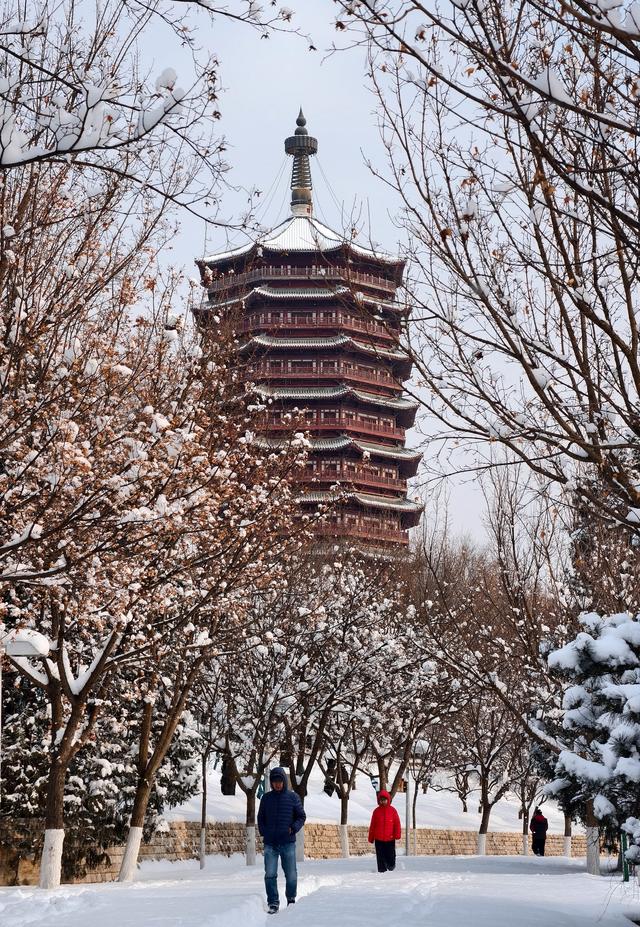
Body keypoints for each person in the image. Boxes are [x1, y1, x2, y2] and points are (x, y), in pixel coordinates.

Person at [257, 767, 306, 914]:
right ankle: (273, 903)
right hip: (270, 844)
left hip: (287, 842)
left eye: (280, 781)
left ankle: (291, 899)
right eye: (274, 781)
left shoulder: (293, 797)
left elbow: (301, 816)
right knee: (270, 874)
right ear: (271, 782)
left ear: (284, 781)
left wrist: (293, 828)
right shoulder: (266, 798)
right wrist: (264, 831)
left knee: (291, 874)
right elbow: (260, 817)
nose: (277, 784)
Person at [368, 789, 401, 872]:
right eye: (381, 800)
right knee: (380, 857)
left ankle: (391, 865)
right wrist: (371, 837)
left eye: (384, 800)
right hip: (378, 839)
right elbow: (373, 825)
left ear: (388, 800)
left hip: (390, 839)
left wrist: (397, 834)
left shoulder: (393, 811)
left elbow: (397, 824)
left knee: (391, 856)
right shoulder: (376, 812)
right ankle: (381, 871)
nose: (383, 802)